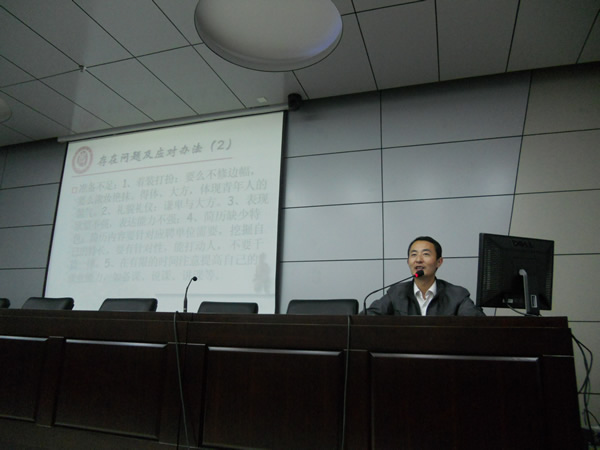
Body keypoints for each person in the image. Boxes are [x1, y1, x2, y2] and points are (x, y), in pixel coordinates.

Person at [366, 236, 485, 316]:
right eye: (413, 255)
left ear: (439, 262)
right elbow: (366, 319)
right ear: (408, 261)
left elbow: (478, 324)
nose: (418, 259)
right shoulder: (396, 293)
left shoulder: (457, 295)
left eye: (426, 254)